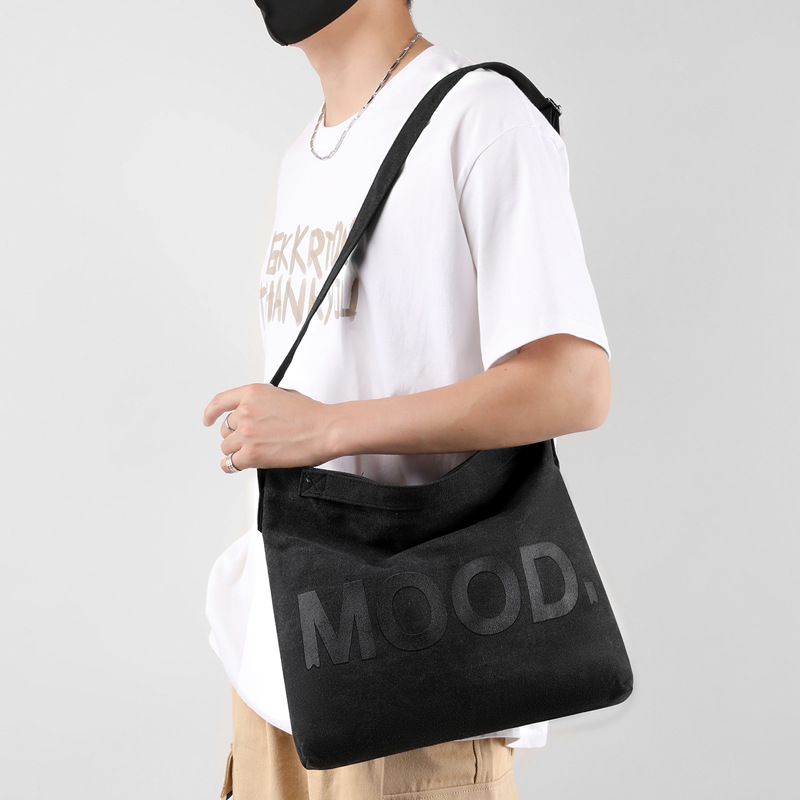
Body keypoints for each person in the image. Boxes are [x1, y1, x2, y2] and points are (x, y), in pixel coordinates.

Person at [202, 0, 612, 797]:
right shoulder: (302, 157)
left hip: (414, 678)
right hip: (280, 666)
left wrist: (328, 429)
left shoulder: (482, 115)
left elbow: (576, 382)